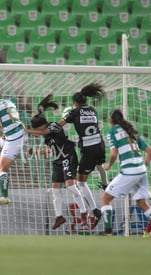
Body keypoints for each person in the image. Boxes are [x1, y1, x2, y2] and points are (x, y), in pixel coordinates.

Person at [101, 109, 151, 237]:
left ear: (111, 120)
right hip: (141, 171)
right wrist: (144, 166)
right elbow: (149, 151)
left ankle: (108, 231)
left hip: (129, 171)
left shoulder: (112, 132)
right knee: (142, 203)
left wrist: (109, 165)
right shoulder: (131, 132)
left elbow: (114, 153)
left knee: (105, 198)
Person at [25, 94, 88, 229]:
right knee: (55, 190)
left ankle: (84, 212)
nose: (37, 132)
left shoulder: (53, 127)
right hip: (58, 160)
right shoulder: (47, 136)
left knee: (71, 186)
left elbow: (44, 132)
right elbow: (52, 150)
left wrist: (27, 131)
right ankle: (59, 217)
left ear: (42, 126)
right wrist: (36, 152)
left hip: (68, 157)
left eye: (37, 130)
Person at [59, 83, 106, 225]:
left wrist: (51, 126)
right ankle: (105, 183)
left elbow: (61, 123)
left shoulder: (75, 112)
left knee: (81, 181)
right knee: (99, 164)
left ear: (75, 103)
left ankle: (95, 210)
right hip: (100, 144)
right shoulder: (92, 110)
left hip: (89, 148)